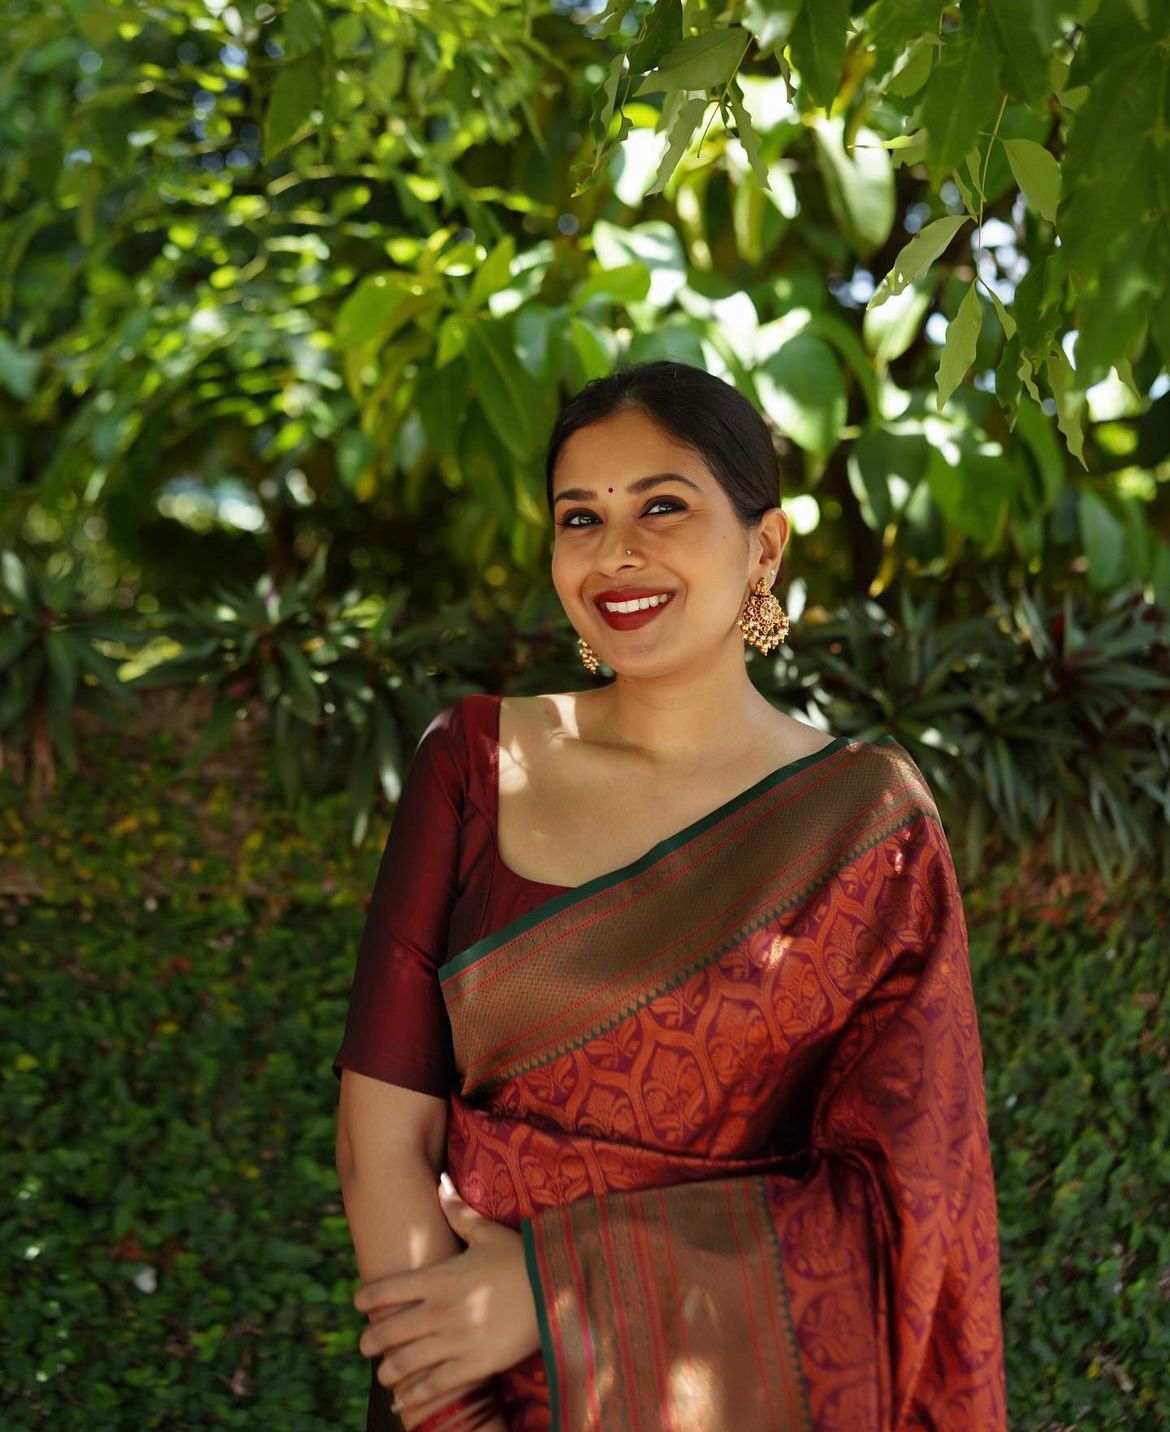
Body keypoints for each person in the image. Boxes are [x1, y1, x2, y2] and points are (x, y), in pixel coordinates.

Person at [332, 360, 1008, 1431]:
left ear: (766, 544)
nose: (617, 553)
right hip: (455, 1384)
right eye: (579, 517)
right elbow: (382, 1145)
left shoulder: (865, 825)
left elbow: (906, 1208)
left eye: (663, 505)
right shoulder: (473, 761)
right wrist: (455, 1410)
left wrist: (559, 1294)